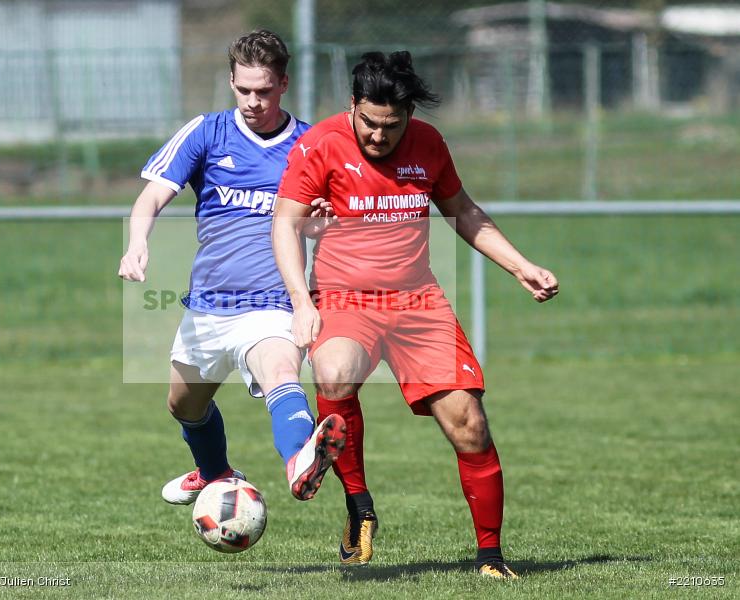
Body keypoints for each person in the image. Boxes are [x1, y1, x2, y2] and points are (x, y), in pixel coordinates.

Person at [272, 51, 559, 577]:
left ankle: (491, 558)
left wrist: (520, 266)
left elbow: (463, 210)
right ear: (352, 104)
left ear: (408, 116)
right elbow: (285, 223)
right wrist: (300, 302)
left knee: (470, 425)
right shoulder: (319, 145)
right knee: (333, 371)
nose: (380, 136)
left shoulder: (429, 144)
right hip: (345, 298)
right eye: (370, 123)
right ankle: (359, 505)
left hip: (417, 301)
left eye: (392, 126)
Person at [118, 30, 346, 507]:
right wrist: (137, 244)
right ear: (231, 81)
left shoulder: (311, 143)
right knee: (183, 404)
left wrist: (319, 228)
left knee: (280, 371)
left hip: (272, 303)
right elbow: (153, 194)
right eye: (244, 90)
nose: (253, 101)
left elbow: (327, 224)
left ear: (284, 83)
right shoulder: (208, 131)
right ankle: (214, 471)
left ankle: (302, 457)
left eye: (264, 91)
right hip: (207, 307)